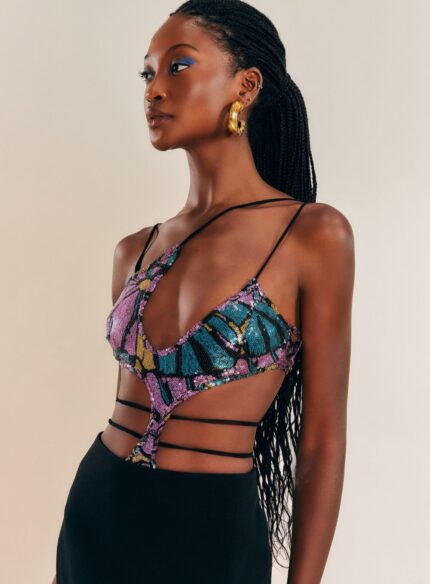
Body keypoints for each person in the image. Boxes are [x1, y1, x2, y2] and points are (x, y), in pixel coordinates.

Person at [53, 1, 354, 583]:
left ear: (246, 86)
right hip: (97, 515)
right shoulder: (134, 250)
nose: (154, 90)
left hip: (214, 534)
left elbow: (322, 442)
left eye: (179, 66)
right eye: (147, 74)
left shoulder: (313, 236)